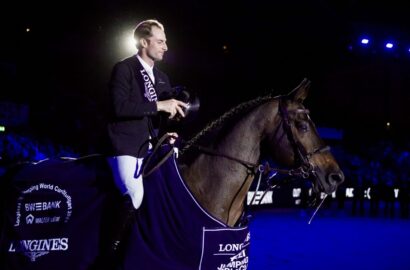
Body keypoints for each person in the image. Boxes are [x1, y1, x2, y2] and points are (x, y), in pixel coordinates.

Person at [107, 19, 188, 210]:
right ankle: (114, 242)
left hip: (152, 148)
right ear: (144, 42)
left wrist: (170, 128)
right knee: (135, 196)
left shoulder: (162, 78)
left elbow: (158, 115)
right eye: (160, 42)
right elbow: (119, 107)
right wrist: (159, 105)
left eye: (165, 42)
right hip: (126, 148)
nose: (166, 47)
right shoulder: (124, 68)